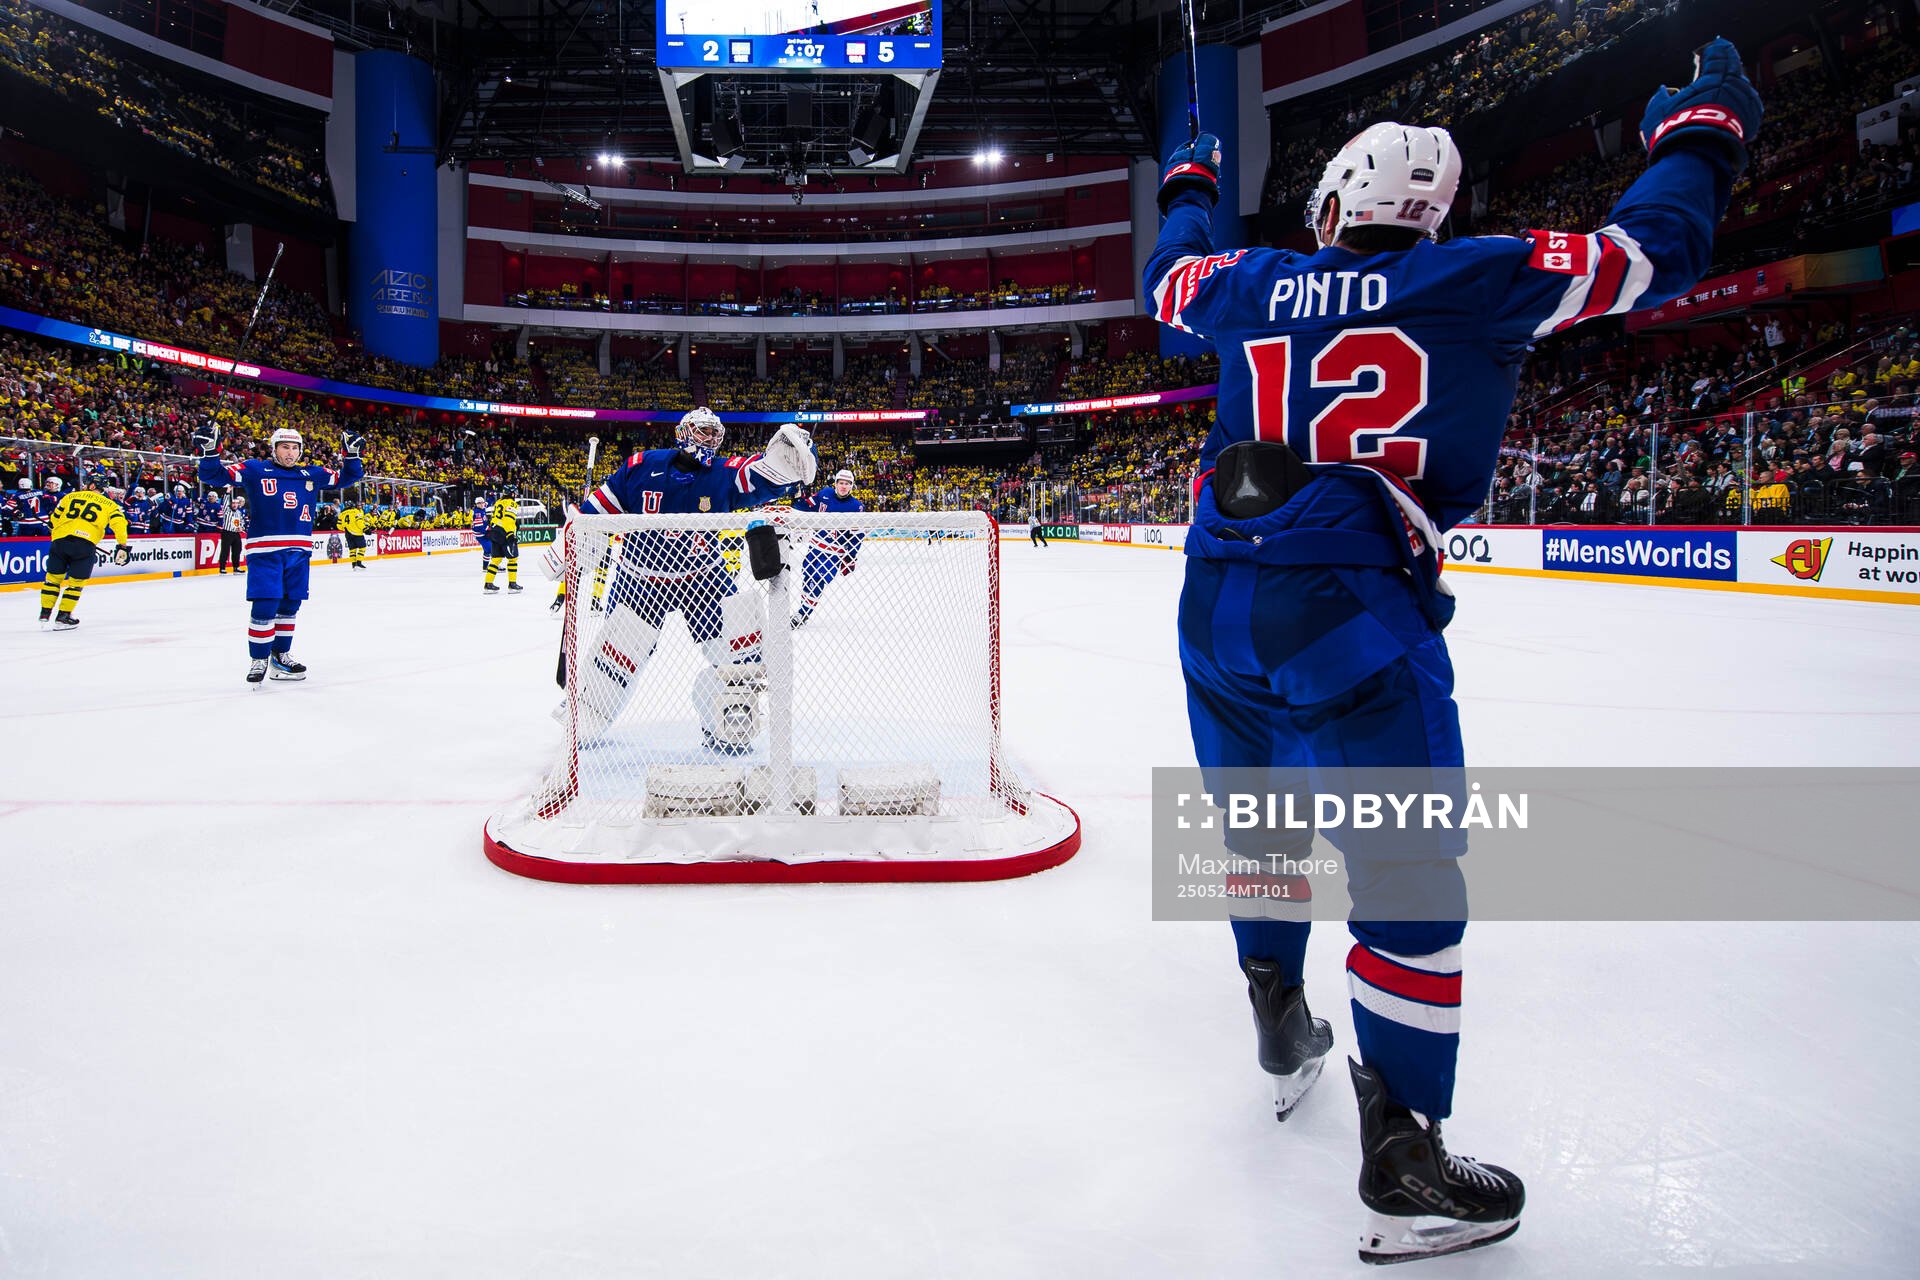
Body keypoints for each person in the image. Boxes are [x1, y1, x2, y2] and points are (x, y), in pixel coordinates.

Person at [1143, 39, 1759, 1265]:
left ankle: (1278, 1016)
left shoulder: (1254, 281)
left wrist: (1192, 179)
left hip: (1216, 597)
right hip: (1353, 603)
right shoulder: (1480, 273)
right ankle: (1407, 1151)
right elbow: (1655, 249)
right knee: (1412, 882)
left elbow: (1168, 277)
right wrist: (1699, 128)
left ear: (1334, 206)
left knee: (1258, 827)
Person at [557, 406, 816, 750]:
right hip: (640, 579)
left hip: (704, 580)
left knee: (743, 658)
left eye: (714, 433)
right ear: (683, 432)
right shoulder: (642, 465)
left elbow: (760, 473)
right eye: (702, 431)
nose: (709, 439)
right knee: (613, 660)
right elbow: (595, 513)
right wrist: (579, 537)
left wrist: (790, 455)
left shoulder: (723, 473)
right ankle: (584, 720)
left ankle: (727, 726)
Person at [196, 420, 366, 687]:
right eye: (284, 447)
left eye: (294, 448)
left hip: (299, 551)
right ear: (274, 449)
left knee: (290, 606)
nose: (290, 453)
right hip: (265, 551)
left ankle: (280, 656)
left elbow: (349, 477)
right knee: (265, 603)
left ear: (300, 451)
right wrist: (210, 452)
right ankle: (259, 658)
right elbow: (212, 476)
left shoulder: (311, 473)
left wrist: (352, 456)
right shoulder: (254, 469)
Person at [38, 484, 130, 630]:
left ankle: (45, 612)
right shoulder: (110, 504)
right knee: (75, 583)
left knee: (52, 580)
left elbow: (54, 519)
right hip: (85, 545)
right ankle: (63, 616)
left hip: (60, 541)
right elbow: (119, 524)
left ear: (90, 485)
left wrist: (56, 528)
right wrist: (122, 545)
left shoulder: (70, 496)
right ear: (102, 488)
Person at [790, 468, 864, 629]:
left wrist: (851, 557)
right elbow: (806, 506)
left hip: (833, 554)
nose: (844, 486)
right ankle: (803, 611)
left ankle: (802, 613)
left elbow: (857, 537)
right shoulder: (825, 494)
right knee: (807, 578)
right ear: (836, 484)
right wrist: (797, 496)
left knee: (818, 579)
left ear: (852, 486)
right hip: (814, 548)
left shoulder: (856, 507)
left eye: (847, 484)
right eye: (841, 483)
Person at [484, 492, 522, 593]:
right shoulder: (512, 503)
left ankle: (488, 584)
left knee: (496, 559)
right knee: (513, 559)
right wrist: (510, 534)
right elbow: (508, 520)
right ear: (513, 494)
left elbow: (497, 517)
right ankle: (512, 585)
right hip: (504, 533)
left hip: (494, 532)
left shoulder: (498, 502)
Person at [218, 492, 245, 573]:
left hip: (236, 533)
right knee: (225, 550)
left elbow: (241, 522)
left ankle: (236, 567)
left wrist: (241, 527)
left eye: (236, 503)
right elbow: (225, 503)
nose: (235, 505)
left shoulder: (239, 513)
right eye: (233, 503)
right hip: (227, 533)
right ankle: (222, 567)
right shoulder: (227, 510)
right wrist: (227, 492)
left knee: (237, 550)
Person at [339, 499, 370, 570]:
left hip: (348, 534)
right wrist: (365, 529)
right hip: (357, 533)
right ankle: (359, 563)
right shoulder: (356, 511)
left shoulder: (341, 514)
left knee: (352, 549)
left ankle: (353, 564)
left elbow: (339, 526)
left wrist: (347, 528)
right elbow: (359, 522)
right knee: (362, 547)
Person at [471, 494, 493, 578]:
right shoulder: (477, 514)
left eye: (482, 503)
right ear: (476, 504)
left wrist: (491, 496)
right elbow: (479, 527)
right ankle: (493, 566)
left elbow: (489, 502)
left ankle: (485, 567)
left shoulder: (483, 508)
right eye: (479, 503)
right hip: (481, 535)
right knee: (490, 549)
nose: (482, 504)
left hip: (484, 533)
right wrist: (487, 531)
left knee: (488, 550)